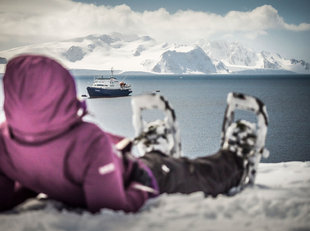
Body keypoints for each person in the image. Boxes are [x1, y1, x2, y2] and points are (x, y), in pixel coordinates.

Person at [0, 55, 269, 213]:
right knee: (190, 171)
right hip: (140, 176)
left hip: (104, 167)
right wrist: (142, 188)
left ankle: (154, 151)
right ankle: (236, 161)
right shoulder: (87, 141)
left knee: (135, 152)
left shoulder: (4, 140)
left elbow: (6, 195)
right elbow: (111, 208)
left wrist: (43, 183)